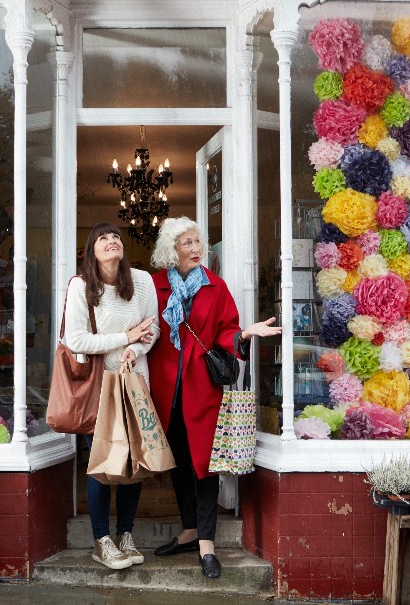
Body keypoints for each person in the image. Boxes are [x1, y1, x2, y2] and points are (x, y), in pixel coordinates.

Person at [147, 217, 281, 579]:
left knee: (202, 464)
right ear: (171, 250)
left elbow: (226, 329)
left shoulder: (215, 286)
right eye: (186, 243)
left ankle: (206, 543)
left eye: (197, 242)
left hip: (201, 388)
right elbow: (145, 330)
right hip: (163, 388)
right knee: (176, 461)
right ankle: (189, 529)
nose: (195, 248)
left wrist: (244, 334)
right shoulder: (154, 286)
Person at [62, 223, 160, 570]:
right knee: (101, 460)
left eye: (115, 236)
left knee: (134, 459)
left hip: (135, 380)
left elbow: (153, 330)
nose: (111, 241)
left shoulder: (143, 281)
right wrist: (125, 336)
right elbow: (76, 340)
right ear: (92, 250)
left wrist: (135, 346)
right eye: (102, 238)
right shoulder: (81, 286)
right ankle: (101, 539)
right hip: (99, 386)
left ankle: (126, 534)